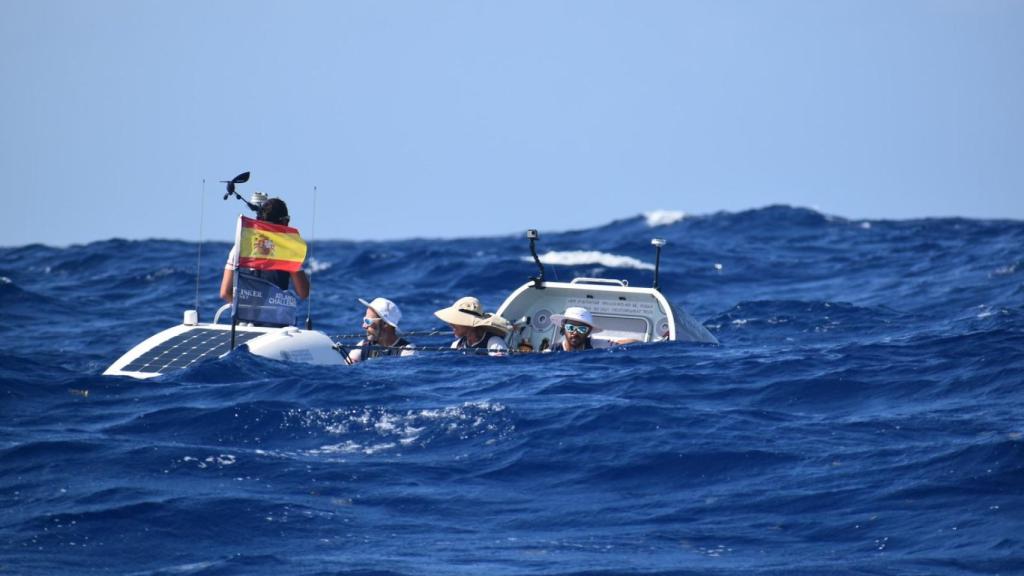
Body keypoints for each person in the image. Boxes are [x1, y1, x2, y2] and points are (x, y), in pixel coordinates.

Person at [220, 197, 310, 303]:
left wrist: (246, 308)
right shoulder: (288, 249)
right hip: (276, 318)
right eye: (287, 220)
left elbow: (224, 293)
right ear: (283, 222)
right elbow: (303, 293)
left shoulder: (239, 247)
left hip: (245, 317)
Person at [433, 296, 512, 356]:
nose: (451, 324)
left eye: (456, 321)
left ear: (468, 324)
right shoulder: (456, 345)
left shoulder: (494, 343)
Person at [347, 297, 415, 364]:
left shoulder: (407, 352)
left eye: (368, 321)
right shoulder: (363, 345)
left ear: (385, 324)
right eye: (364, 320)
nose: (364, 326)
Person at [544, 306, 638, 353]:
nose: (575, 332)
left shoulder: (596, 344)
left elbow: (633, 342)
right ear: (563, 328)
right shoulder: (553, 350)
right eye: (571, 328)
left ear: (588, 331)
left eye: (581, 329)